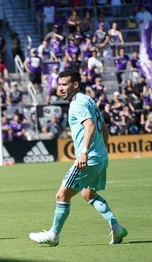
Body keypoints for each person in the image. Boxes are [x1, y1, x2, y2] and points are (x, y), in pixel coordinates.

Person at [29, 69, 128, 247]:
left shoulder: (77, 104)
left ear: (75, 85)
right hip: (100, 157)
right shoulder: (88, 99)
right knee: (87, 193)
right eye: (59, 85)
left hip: (88, 158)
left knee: (61, 195)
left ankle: (53, 235)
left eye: (64, 84)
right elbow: (104, 128)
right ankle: (116, 226)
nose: (60, 88)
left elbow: (89, 126)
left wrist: (84, 151)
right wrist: (102, 151)